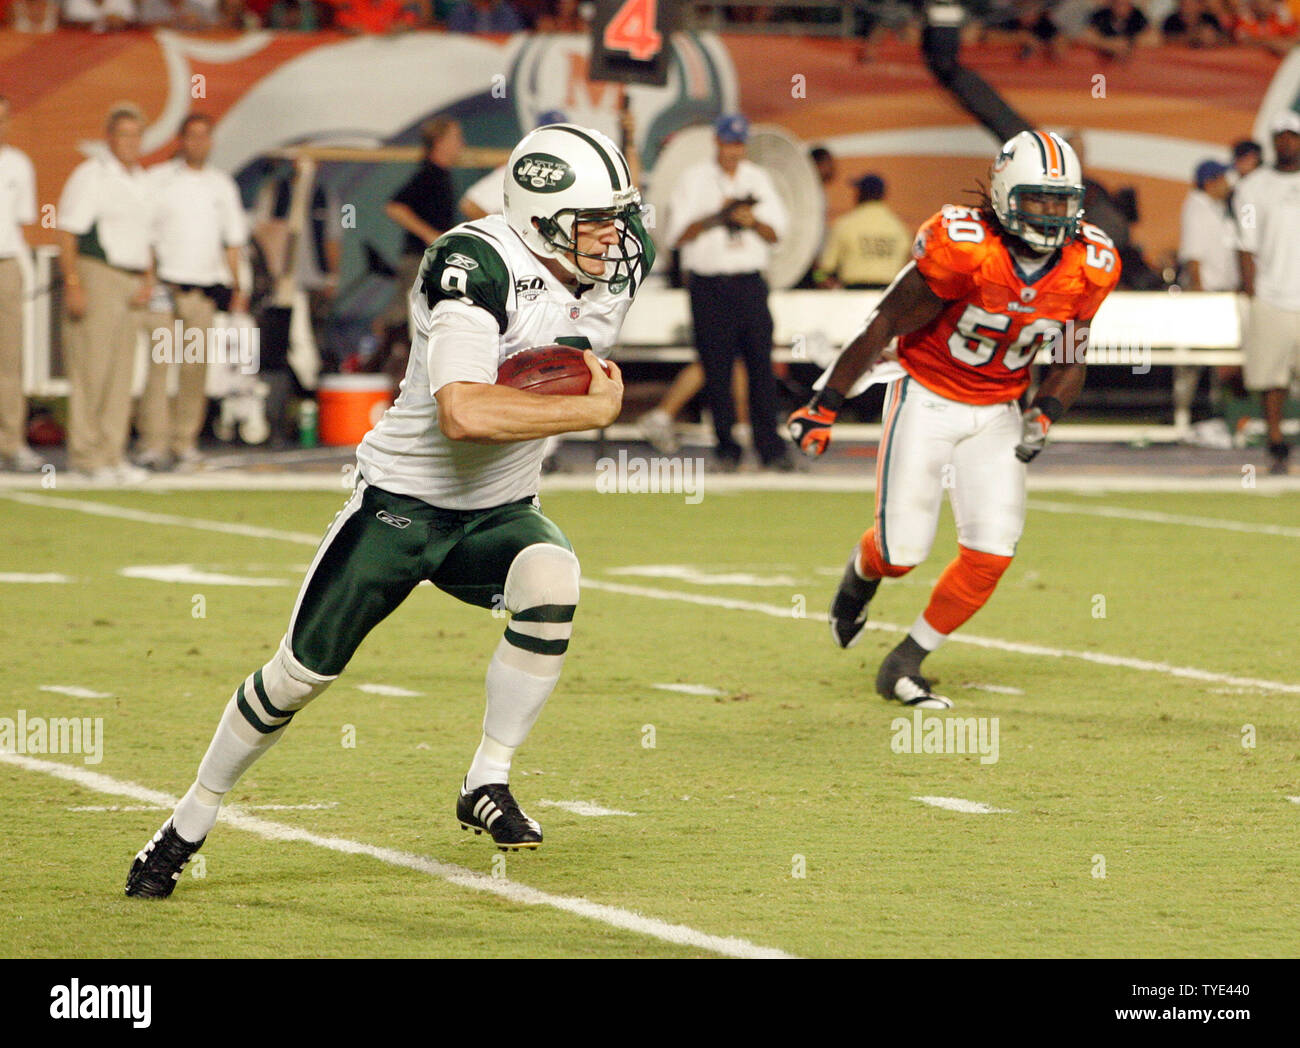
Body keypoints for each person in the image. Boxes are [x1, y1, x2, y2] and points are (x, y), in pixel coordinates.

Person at [124, 123, 654, 896]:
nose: (616, 240)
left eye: (617, 219)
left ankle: (487, 779)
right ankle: (187, 822)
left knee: (552, 576)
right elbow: (464, 414)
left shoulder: (611, 260)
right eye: (597, 223)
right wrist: (586, 415)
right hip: (403, 506)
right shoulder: (471, 266)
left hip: (498, 508)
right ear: (541, 220)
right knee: (295, 679)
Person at [788, 130, 1121, 707]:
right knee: (899, 555)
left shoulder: (1088, 265)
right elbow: (883, 323)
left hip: (999, 409)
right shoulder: (964, 247)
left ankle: (905, 661)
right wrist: (826, 404)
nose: (1051, 214)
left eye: (1062, 202)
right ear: (1007, 195)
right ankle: (859, 576)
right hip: (928, 393)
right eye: (1039, 199)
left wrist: (1046, 411)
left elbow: (1071, 356)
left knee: (992, 551)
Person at [664, 113, 793, 471]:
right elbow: (677, 235)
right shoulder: (695, 180)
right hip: (710, 285)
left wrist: (752, 221)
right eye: (728, 143)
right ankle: (726, 447)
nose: (733, 151)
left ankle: (769, 446)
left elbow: (777, 234)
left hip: (750, 283)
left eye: (739, 144)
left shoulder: (758, 178)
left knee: (761, 367)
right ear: (717, 143)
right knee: (716, 368)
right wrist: (719, 217)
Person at [137, 113, 249, 472]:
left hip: (201, 292)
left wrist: (237, 284)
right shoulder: (159, 180)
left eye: (205, 136)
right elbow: (146, 234)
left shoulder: (221, 186)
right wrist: (150, 278)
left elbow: (232, 241)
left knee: (194, 369)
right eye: (192, 136)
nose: (198, 143)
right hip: (165, 288)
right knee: (159, 368)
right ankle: (153, 443)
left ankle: (184, 441)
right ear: (180, 140)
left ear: (211, 141)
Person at [56, 103, 154, 484]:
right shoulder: (91, 175)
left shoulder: (142, 180)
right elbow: (67, 231)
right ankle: (86, 457)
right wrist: (73, 282)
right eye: (124, 134)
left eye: (136, 134)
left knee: (122, 373)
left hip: (131, 280)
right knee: (92, 369)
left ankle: (113, 454)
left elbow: (143, 236)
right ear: (109, 137)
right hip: (97, 274)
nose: (131, 142)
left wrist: (148, 277)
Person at [1233, 110, 1300, 476]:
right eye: (1280, 136)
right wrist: (1252, 291)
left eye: (1291, 135)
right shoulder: (1253, 186)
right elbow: (1246, 242)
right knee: (1270, 378)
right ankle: (1275, 440)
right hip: (1272, 294)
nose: (1285, 142)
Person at [375, 117, 462, 340]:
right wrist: (430, 235)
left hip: (428, 259)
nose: (461, 144)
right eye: (455, 138)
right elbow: (395, 207)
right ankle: (375, 360)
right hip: (419, 260)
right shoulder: (429, 175)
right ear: (440, 142)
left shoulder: (441, 176)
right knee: (402, 317)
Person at [0, 95, 43, 473]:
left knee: (10, 361)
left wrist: (25, 269)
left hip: (6, 264)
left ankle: (11, 442)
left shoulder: (18, 164)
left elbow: (23, 222)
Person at [814, 174, 912, 290]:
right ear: (882, 195)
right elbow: (909, 265)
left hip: (853, 295)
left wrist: (817, 277)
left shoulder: (844, 225)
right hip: (888, 296)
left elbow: (824, 270)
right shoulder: (899, 227)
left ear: (859, 194)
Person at [1179, 159, 1237, 292]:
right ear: (1209, 183)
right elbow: (1193, 253)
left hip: (1221, 290)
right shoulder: (1197, 209)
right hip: (1208, 291)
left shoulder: (1215, 206)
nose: (1227, 184)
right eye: (1223, 179)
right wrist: (1198, 289)